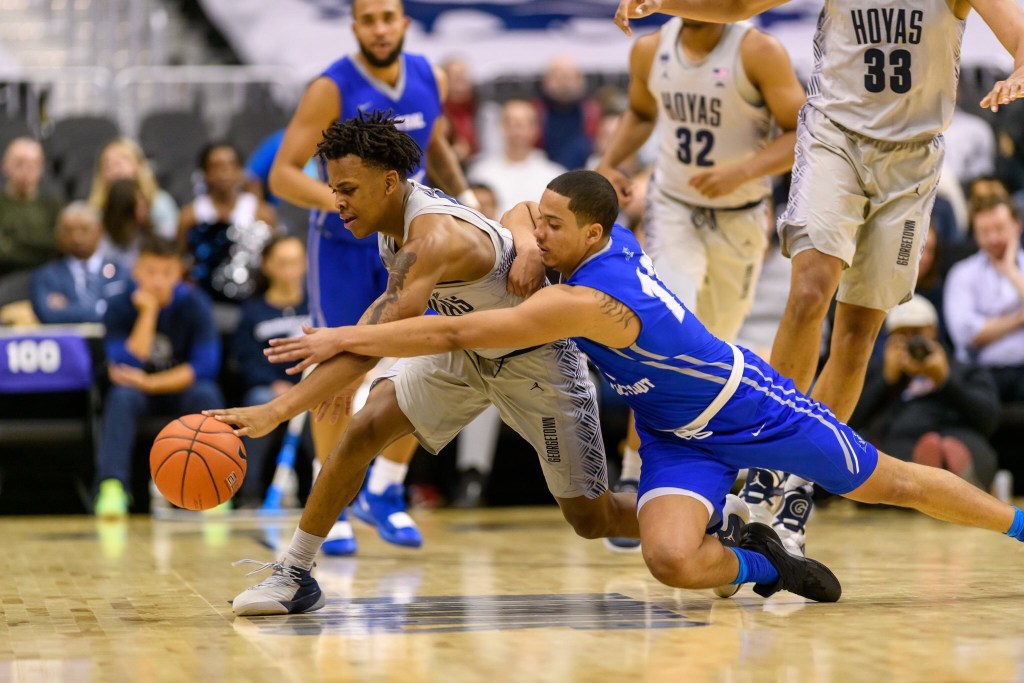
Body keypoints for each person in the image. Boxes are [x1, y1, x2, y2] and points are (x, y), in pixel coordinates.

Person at [284, 169, 1024, 606]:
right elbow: (517, 214)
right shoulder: (598, 237)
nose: (535, 235)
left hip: (748, 407)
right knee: (669, 560)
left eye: (552, 229)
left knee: (886, 483)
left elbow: (449, 333)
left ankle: (1019, 529)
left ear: (593, 237)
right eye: (539, 222)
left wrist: (342, 338)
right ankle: (763, 558)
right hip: (675, 435)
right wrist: (528, 239)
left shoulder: (588, 299)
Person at [613, 0, 1024, 551]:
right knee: (809, 292)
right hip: (836, 138)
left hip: (912, 159)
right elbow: (740, 4)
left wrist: (1020, 66)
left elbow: (1018, 31)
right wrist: (666, 3)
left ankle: (797, 492)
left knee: (856, 335)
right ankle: (761, 469)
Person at [206, 115, 646, 616]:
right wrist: (339, 371)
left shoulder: (431, 238)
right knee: (365, 426)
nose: (338, 202)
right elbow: (377, 327)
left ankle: (706, 520)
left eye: (348, 189)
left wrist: (276, 411)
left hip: (536, 363)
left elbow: (370, 341)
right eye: (333, 189)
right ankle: (295, 573)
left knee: (592, 518)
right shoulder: (392, 219)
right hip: (464, 347)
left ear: (389, 181)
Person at [267, 0, 477, 555]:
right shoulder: (329, 87)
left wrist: (470, 200)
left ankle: (384, 489)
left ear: (404, 22)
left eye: (389, 17)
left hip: (412, 242)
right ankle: (328, 497)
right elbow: (283, 174)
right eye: (369, 19)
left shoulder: (428, 76)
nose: (380, 28)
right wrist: (343, 202)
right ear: (355, 26)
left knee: (426, 360)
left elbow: (433, 150)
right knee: (337, 368)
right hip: (344, 248)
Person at [594, 15, 804, 550]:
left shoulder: (757, 50)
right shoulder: (650, 50)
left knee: (708, 351)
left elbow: (801, 130)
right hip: (675, 209)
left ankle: (694, 483)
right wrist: (610, 163)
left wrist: (743, 170)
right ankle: (634, 467)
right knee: (662, 335)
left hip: (740, 214)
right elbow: (642, 113)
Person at [94, 237, 223, 518]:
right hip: (136, 394)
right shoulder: (118, 306)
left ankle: (214, 485)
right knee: (121, 397)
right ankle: (113, 487)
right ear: (135, 271)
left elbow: (205, 366)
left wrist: (149, 382)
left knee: (207, 393)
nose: (158, 281)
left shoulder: (195, 304)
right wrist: (149, 312)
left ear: (178, 273)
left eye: (166, 273)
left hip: (178, 390)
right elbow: (125, 364)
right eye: (150, 272)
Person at [850, 296, 1001, 490]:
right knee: (882, 456)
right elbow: (849, 421)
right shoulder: (878, 372)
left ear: (933, 331)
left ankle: (942, 477)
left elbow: (988, 420)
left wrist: (945, 380)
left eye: (917, 333)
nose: (911, 342)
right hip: (898, 440)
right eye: (901, 336)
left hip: (955, 435)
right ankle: (939, 482)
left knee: (964, 449)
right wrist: (885, 381)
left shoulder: (964, 370)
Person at [230, 235, 311, 508]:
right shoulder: (253, 312)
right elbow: (245, 359)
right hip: (269, 389)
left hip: (314, 388)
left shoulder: (318, 306)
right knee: (259, 400)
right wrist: (275, 385)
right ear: (267, 266)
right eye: (282, 262)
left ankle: (321, 492)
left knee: (328, 404)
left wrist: (307, 388)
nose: (290, 269)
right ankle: (249, 491)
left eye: (296, 262)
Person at [944, 193, 1024, 404]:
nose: (993, 239)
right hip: (982, 373)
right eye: (984, 231)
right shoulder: (962, 273)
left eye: (999, 229)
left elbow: (980, 329)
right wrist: (1018, 319)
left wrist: (1012, 272)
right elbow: (966, 333)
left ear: (1017, 226)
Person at [178, 142, 277, 304]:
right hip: (204, 300)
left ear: (240, 171)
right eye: (216, 166)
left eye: (231, 165)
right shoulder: (190, 216)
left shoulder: (262, 213)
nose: (224, 172)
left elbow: (272, 260)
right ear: (204, 173)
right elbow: (180, 260)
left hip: (252, 299)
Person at [30, 202, 130, 324]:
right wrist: (100, 308)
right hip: (66, 342)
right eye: (68, 231)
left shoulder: (119, 272)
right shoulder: (46, 276)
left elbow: (125, 313)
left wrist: (69, 308)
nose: (77, 238)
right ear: (58, 235)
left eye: (84, 229)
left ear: (100, 231)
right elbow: (48, 315)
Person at [88, 138, 179, 239]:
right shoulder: (95, 211)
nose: (114, 168)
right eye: (107, 165)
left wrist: (146, 224)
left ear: (138, 165)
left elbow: (169, 244)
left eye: (121, 160)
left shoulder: (159, 203)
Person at [0, 137, 63, 277]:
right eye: (19, 163)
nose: (26, 170)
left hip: (48, 279)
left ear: (41, 169)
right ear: (5, 166)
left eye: (33, 164)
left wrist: (13, 243)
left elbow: (59, 247)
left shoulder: (54, 206)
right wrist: (42, 249)